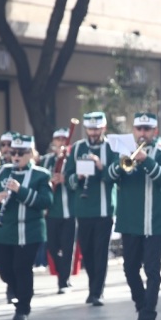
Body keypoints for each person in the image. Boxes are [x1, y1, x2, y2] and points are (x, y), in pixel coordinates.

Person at [107, 112, 161, 320]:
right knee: (129, 269)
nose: (143, 133)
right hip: (131, 222)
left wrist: (146, 161)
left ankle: (148, 317)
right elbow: (107, 178)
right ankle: (141, 304)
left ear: (155, 131)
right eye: (139, 129)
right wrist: (121, 164)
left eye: (147, 129)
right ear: (134, 131)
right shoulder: (122, 152)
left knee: (153, 271)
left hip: (155, 222)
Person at [0, 134, 53, 320]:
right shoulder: (2, 172)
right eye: (13, 152)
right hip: (4, 230)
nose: (16, 156)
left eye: (21, 153)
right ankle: (17, 292)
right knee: (5, 270)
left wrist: (20, 190)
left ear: (31, 153)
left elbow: (46, 201)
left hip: (29, 232)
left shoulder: (41, 174)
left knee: (22, 268)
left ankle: (23, 307)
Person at [66, 111, 118, 306]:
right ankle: (92, 286)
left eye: (97, 128)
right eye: (90, 128)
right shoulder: (78, 147)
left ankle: (98, 291)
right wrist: (78, 177)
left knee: (100, 251)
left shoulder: (111, 148)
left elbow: (115, 175)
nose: (93, 132)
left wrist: (99, 165)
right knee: (87, 251)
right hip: (83, 208)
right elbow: (68, 178)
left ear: (103, 128)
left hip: (104, 210)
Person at [42, 127, 76, 294]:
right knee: (53, 246)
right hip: (52, 211)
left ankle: (64, 279)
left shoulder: (72, 160)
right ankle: (61, 274)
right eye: (58, 140)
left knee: (68, 247)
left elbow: (78, 180)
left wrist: (65, 179)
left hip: (69, 211)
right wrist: (51, 179)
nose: (61, 143)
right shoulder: (47, 160)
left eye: (64, 139)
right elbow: (40, 179)